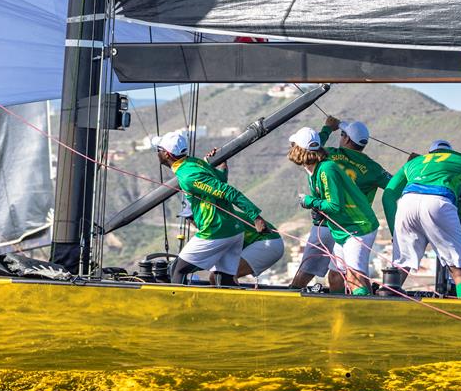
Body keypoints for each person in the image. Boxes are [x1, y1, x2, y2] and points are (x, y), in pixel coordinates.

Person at [152, 131, 268, 284]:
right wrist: (222, 166)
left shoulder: (188, 176)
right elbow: (220, 181)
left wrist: (255, 216)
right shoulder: (194, 162)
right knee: (225, 279)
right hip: (234, 230)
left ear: (167, 154)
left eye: (158, 150)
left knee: (177, 269)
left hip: (215, 230)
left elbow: (228, 191)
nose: (157, 153)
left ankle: (177, 306)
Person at [291, 116, 391, 292]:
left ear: (345, 138)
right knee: (345, 273)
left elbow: (312, 144)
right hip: (341, 223)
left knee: (322, 270)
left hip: (348, 223)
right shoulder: (373, 168)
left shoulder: (329, 156)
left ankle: (359, 308)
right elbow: (394, 185)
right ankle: (344, 308)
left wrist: (327, 128)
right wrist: (413, 166)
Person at [382, 140, 461, 298]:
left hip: (407, 202)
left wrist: (395, 232)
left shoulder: (415, 162)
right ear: (450, 152)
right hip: (439, 201)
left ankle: (385, 309)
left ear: (431, 152)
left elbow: (388, 195)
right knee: (459, 271)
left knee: (401, 266)